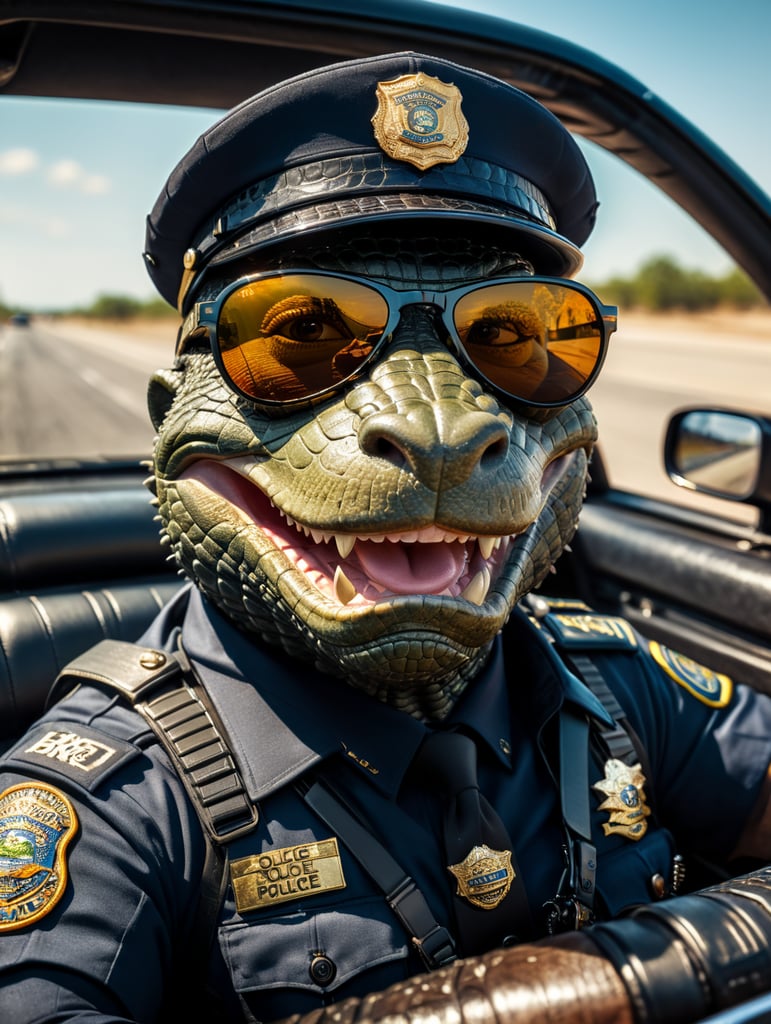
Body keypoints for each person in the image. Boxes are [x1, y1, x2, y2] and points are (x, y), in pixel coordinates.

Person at [1, 51, 770, 1024]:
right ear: (169, 417)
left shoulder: (621, 686)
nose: (443, 427)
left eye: (512, 336)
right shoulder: (107, 803)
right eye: (302, 333)